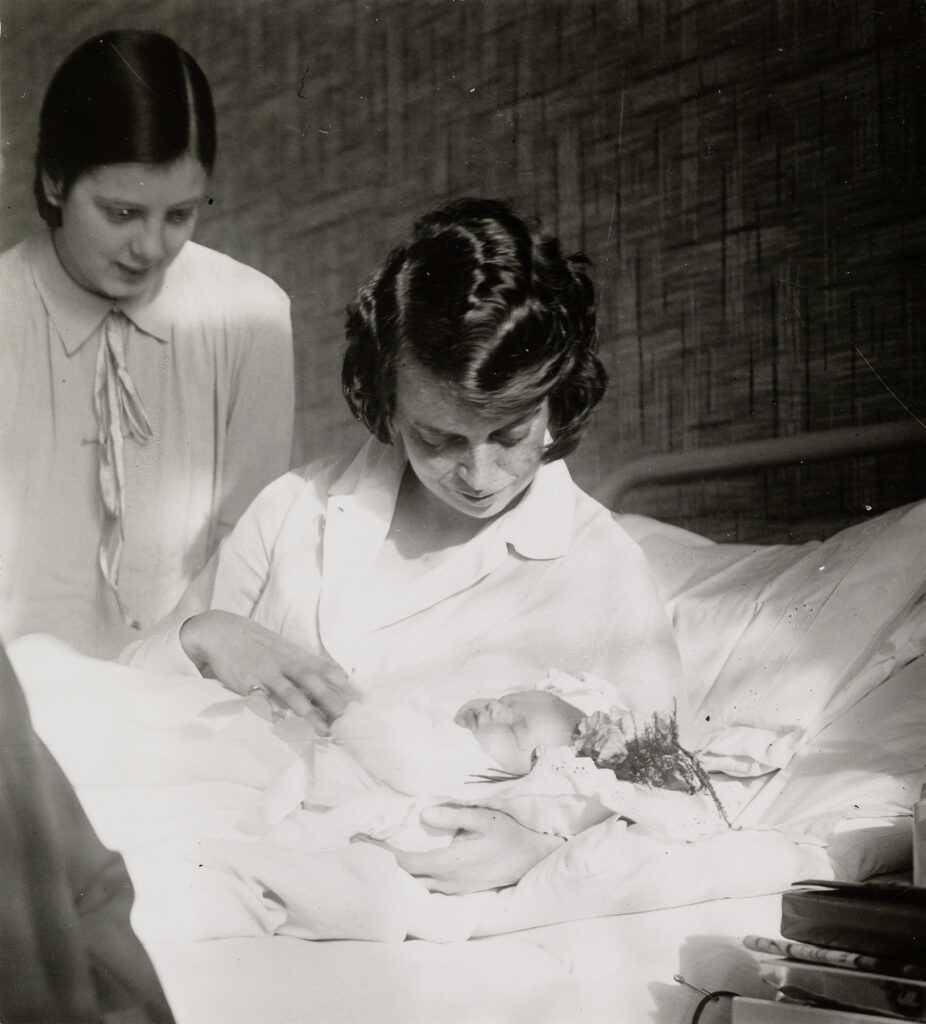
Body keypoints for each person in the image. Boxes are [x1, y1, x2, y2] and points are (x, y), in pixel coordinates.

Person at [124, 196, 684, 895]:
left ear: (556, 399)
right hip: (214, 845)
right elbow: (119, 701)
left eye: (510, 435)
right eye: (438, 438)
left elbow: (665, 795)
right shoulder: (294, 509)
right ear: (386, 405)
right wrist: (201, 636)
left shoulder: (601, 569)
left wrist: (540, 845)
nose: (479, 476)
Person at [0, 30, 294, 658]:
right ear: (54, 181)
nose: (152, 247)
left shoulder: (252, 316)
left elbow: (246, 560)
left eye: (179, 214)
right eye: (122, 213)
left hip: (186, 685)